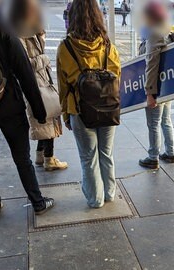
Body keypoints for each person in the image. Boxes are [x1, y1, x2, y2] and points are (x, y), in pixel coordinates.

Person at [0, 0, 54, 217]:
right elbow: (24, 72)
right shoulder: (2, 27)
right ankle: (37, 202)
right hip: (8, 105)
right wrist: (39, 111)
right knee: (22, 157)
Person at [57, 0, 121, 208]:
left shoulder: (66, 48)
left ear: (72, 17)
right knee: (106, 153)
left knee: (88, 157)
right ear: (97, 16)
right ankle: (109, 193)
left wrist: (66, 115)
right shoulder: (107, 45)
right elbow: (116, 75)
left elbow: (63, 86)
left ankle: (95, 199)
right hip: (108, 108)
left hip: (80, 109)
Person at [13, 0, 68, 171]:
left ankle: (41, 154)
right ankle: (49, 159)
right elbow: (23, 64)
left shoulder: (33, 28)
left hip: (43, 78)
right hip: (34, 82)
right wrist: (44, 59)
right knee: (47, 114)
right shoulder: (19, 32)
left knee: (47, 115)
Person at [138, 0, 174, 170]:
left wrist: (149, 92)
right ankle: (170, 152)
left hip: (157, 87)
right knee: (166, 120)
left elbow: (151, 63)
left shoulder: (153, 33)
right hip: (166, 84)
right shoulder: (165, 30)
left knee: (153, 123)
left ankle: (153, 156)